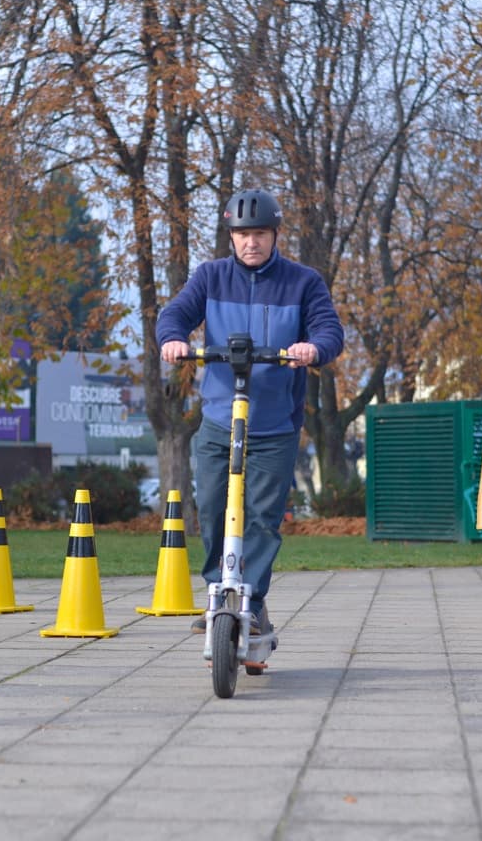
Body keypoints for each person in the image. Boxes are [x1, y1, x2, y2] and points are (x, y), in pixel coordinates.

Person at [157, 188, 344, 634]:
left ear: (275, 234)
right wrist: (174, 340)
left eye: (259, 233)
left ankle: (252, 600)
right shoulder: (210, 277)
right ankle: (218, 592)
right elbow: (175, 314)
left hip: (275, 426)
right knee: (212, 508)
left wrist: (312, 348)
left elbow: (328, 329)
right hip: (220, 419)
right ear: (231, 237)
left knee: (261, 517)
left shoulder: (303, 282)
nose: (250, 243)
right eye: (242, 235)